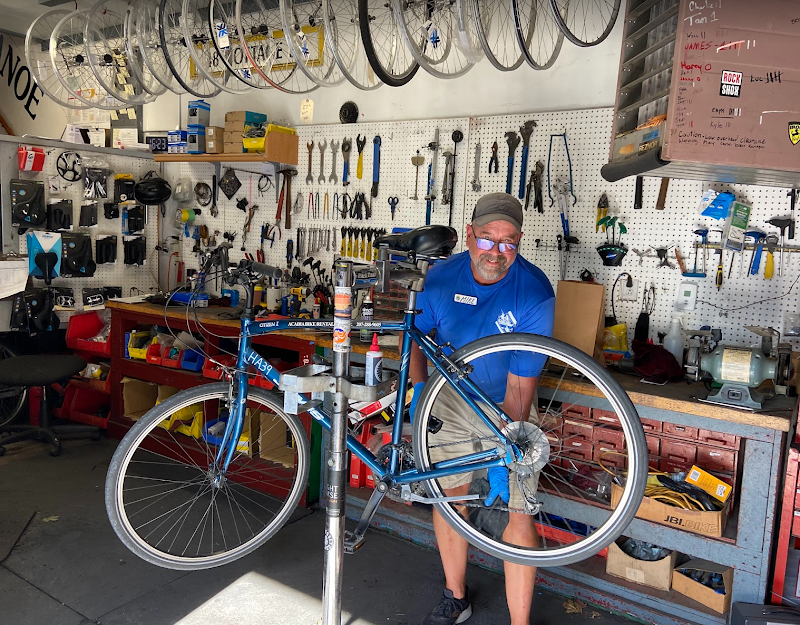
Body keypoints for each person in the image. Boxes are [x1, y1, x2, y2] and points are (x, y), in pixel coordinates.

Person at [409, 192, 556, 625]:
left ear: (520, 242)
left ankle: (519, 622)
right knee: (449, 495)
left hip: (504, 405)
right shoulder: (440, 278)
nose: (496, 252)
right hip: (449, 398)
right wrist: (420, 392)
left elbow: (520, 384)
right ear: (470, 235)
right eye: (488, 238)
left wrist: (505, 446)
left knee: (517, 508)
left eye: (508, 242)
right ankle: (456, 596)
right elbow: (416, 336)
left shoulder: (534, 292)